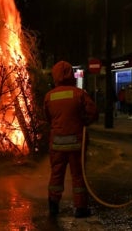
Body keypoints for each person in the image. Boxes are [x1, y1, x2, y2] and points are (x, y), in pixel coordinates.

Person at [44, 61, 98, 218]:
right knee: (78, 176)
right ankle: (80, 208)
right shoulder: (79, 93)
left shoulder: (49, 96)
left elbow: (47, 117)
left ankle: (53, 206)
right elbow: (93, 112)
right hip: (76, 144)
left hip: (57, 144)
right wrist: (84, 121)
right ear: (70, 75)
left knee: (56, 174)